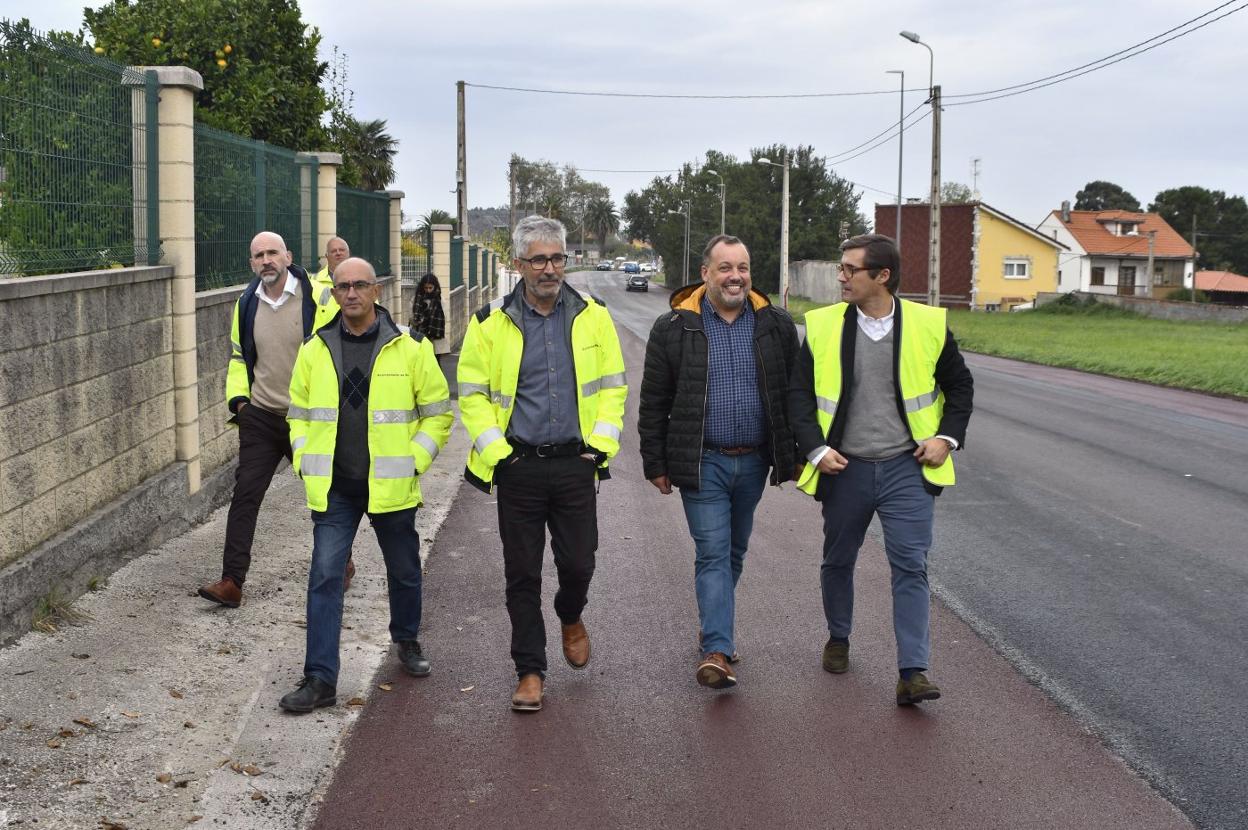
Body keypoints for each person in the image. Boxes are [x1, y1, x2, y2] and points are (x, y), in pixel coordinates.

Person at [788, 233, 973, 706]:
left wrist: (946, 439)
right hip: (843, 468)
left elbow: (960, 386)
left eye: (851, 269)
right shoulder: (824, 325)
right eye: (841, 268)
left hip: (905, 469)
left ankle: (913, 671)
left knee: (911, 565)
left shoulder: (929, 325)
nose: (841, 276)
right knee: (837, 560)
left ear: (882, 276)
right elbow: (800, 397)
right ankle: (839, 637)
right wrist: (814, 450)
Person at [457, 215, 627, 713]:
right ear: (518, 264)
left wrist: (599, 446)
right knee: (522, 572)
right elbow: (471, 395)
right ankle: (530, 670)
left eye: (557, 258)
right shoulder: (490, 322)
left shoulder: (594, 315)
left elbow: (614, 386)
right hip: (519, 467)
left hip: (577, 463)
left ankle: (570, 614)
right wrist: (498, 453)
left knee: (579, 563)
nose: (549, 268)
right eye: (538, 259)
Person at [278, 257, 453, 713]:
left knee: (404, 569)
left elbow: (438, 414)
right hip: (335, 486)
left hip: (391, 484)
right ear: (333, 294)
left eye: (359, 285)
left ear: (376, 290)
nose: (351, 293)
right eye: (342, 287)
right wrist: (302, 458)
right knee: (325, 574)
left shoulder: (410, 347)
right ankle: (320, 678)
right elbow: (297, 413)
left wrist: (414, 462)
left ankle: (408, 640)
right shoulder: (315, 348)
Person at [638, 234, 800, 690]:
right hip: (702, 460)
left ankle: (716, 625)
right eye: (725, 267)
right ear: (705, 273)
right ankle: (717, 649)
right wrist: (656, 461)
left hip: (752, 462)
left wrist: (797, 453)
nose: (736, 276)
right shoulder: (673, 328)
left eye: (743, 267)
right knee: (712, 552)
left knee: (733, 552)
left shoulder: (777, 326)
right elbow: (654, 402)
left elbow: (793, 395)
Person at [198, 231, 339, 608]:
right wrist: (240, 403)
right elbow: (239, 358)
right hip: (260, 416)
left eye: (272, 252)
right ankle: (232, 581)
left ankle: (341, 563)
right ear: (252, 263)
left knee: (323, 495)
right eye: (258, 255)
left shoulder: (317, 298)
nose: (266, 260)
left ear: (287, 256)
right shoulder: (246, 303)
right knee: (245, 495)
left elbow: (338, 350)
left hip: (305, 419)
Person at [409, 272, 446, 341]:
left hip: (434, 337)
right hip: (418, 334)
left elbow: (444, 319)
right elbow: (411, 318)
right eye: (426, 288)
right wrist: (420, 320)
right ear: (422, 287)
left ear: (435, 287)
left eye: (430, 288)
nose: (428, 290)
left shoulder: (440, 301)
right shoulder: (415, 299)